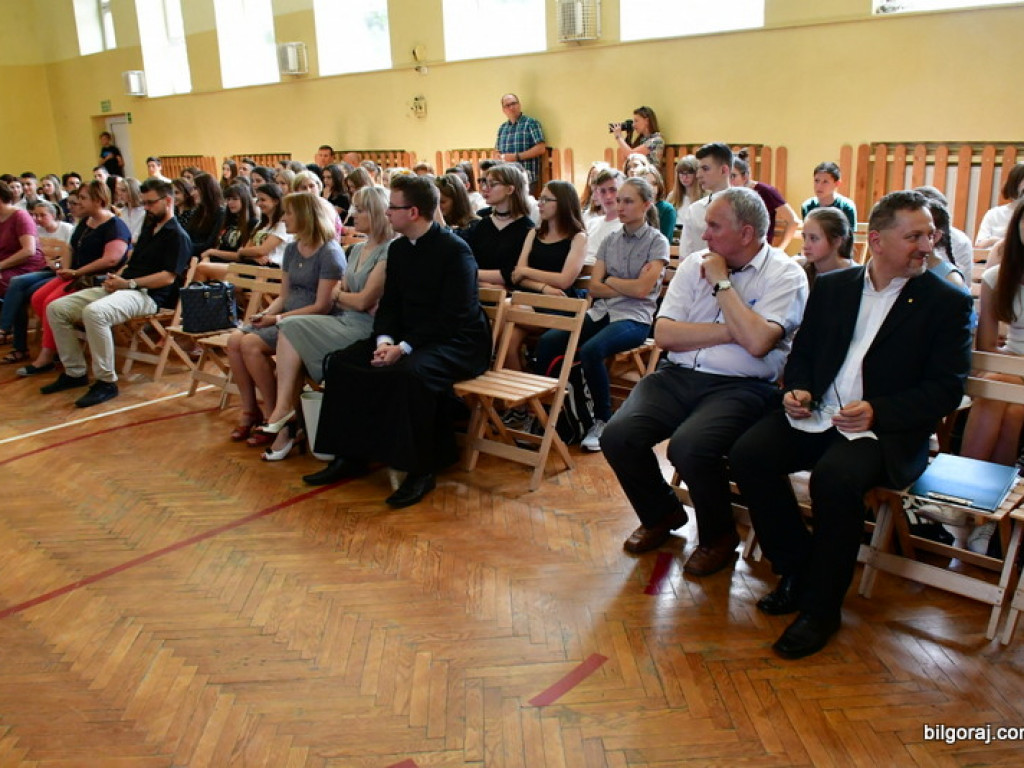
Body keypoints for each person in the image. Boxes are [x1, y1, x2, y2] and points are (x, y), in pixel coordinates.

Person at [728, 190, 972, 659]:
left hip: (886, 429)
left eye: (931, 235)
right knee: (748, 455)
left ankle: (822, 609)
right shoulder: (836, 287)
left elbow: (945, 390)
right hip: (820, 413)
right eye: (914, 236)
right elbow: (804, 355)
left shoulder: (947, 302)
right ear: (876, 241)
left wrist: (878, 410)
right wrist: (796, 389)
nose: (927, 245)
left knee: (835, 479)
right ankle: (797, 566)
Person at [600, 186, 808, 574]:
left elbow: (761, 343)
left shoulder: (786, 274)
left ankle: (718, 537)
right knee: (618, 436)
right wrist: (737, 330)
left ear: (746, 233)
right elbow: (664, 334)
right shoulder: (695, 260)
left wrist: (722, 284)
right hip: (677, 374)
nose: (704, 235)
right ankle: (662, 514)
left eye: (714, 226)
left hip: (742, 386)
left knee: (691, 447)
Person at [302, 174, 492, 509]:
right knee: (343, 363)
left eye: (393, 207)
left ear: (414, 212)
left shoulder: (454, 251)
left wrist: (402, 348)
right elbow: (390, 305)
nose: (387, 212)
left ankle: (421, 470)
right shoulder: (401, 249)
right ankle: (351, 455)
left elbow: (453, 317)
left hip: (458, 342)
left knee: (411, 374)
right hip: (410, 337)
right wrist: (384, 340)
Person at [534, 177, 669, 451]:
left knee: (592, 350)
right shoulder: (610, 240)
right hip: (602, 312)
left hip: (635, 318)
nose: (620, 206)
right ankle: (554, 413)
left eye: (628, 201)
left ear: (646, 204)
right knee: (548, 341)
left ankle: (602, 419)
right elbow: (594, 286)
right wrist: (626, 285)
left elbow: (643, 292)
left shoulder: (657, 242)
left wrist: (614, 283)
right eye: (619, 200)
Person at [259, 186, 393, 458]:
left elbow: (362, 301)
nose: (353, 214)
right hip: (346, 319)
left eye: (361, 209)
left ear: (378, 212)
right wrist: (348, 297)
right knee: (287, 334)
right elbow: (344, 298)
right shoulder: (356, 250)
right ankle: (285, 415)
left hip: (369, 328)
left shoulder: (390, 249)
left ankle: (284, 413)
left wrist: (346, 297)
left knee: (290, 329)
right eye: (354, 207)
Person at [42, 179, 191, 407]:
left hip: (148, 296)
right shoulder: (150, 227)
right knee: (56, 308)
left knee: (94, 313)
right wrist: (117, 278)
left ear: (168, 201)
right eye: (144, 203)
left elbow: (168, 277)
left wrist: (128, 283)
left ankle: (106, 382)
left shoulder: (177, 235)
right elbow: (131, 260)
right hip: (126, 285)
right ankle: (75, 372)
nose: (146, 208)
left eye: (150, 203)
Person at [226, 192, 345, 454]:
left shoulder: (329, 252)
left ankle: (276, 416)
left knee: (250, 345)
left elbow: (322, 306)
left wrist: (277, 318)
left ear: (305, 215)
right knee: (234, 341)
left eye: (289, 213)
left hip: (311, 322)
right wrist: (265, 314)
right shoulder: (292, 248)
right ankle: (250, 411)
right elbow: (284, 295)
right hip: (286, 315)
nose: (283, 218)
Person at [17, 184, 131, 374]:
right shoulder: (86, 222)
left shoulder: (115, 226)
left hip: (96, 279)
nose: (79, 202)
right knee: (37, 297)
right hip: (77, 274)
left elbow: (111, 259)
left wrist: (77, 273)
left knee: (50, 303)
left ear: (99, 201)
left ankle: (47, 356)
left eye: (84, 198)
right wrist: (67, 269)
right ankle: (61, 343)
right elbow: (71, 248)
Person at [961, 198, 1024, 465]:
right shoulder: (997, 277)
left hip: (1009, 371)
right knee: (1011, 410)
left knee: (995, 386)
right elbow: (986, 346)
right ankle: (988, 499)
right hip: (1010, 366)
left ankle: (961, 493)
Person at [504, 180, 587, 370]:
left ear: (563, 203)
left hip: (558, 304)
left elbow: (565, 280)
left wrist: (527, 272)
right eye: (540, 198)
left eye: (546, 199)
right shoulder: (534, 233)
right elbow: (518, 276)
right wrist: (544, 287)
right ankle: (520, 397)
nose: (539, 203)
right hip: (532, 298)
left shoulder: (578, 238)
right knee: (508, 343)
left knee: (506, 310)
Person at [0, 200, 74, 359]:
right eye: (35, 215)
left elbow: (69, 256)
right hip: (48, 268)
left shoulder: (68, 229)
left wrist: (57, 263)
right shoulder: (39, 229)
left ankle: (5, 329)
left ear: (53, 215)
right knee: (16, 288)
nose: (37, 218)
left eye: (42, 215)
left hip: (61, 270)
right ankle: (13, 340)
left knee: (16, 286)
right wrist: (51, 263)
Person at [458, 164, 534, 288]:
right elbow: (467, 263)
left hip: (509, 297)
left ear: (510, 189)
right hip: (477, 291)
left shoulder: (526, 228)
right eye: (484, 183)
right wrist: (485, 285)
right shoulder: (481, 224)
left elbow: (512, 274)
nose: (484, 188)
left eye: (492, 184)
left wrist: (473, 275)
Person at [731, 150, 799, 249]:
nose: (729, 181)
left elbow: (793, 221)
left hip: (759, 252)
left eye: (733, 176)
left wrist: (780, 249)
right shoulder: (726, 195)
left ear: (745, 176)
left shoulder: (766, 191)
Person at [677, 142, 733, 261]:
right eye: (698, 169)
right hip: (700, 275)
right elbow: (685, 256)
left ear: (724, 170)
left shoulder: (745, 207)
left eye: (705, 169)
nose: (698, 175)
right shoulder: (695, 210)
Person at [193, 183, 260, 279]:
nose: (230, 203)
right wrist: (208, 257)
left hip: (237, 266)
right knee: (200, 265)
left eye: (234, 199)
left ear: (245, 200)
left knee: (201, 268)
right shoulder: (227, 220)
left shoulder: (252, 223)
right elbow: (219, 246)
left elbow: (240, 255)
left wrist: (212, 252)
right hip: (218, 261)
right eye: (228, 199)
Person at [0, 180, 46, 298]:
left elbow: (29, 251)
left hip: (26, 267)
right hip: (7, 265)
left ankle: (9, 316)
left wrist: (1, 266)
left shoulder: (20, 216)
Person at [495, 93, 546, 195]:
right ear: (503, 110)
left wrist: (516, 157)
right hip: (506, 179)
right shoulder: (502, 128)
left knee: (523, 209)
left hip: (526, 178)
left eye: (514, 103)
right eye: (507, 105)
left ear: (519, 105)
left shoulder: (531, 123)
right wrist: (499, 157)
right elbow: (496, 151)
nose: (511, 107)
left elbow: (541, 148)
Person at [798, 207, 855, 288]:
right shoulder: (798, 269)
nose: (805, 246)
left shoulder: (855, 275)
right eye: (804, 237)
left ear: (837, 241)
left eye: (813, 238)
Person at [975, 163, 1024, 248]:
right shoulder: (995, 214)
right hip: (995, 258)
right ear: (1014, 184)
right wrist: (996, 240)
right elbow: (980, 245)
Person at [584, 167, 625, 265]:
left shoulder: (627, 227)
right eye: (603, 191)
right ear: (597, 193)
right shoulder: (591, 223)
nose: (608, 196)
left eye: (613, 190)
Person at [800, 161, 857, 230]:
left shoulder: (846, 206)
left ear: (837, 183)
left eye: (825, 182)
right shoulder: (807, 206)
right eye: (816, 181)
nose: (819, 186)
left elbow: (850, 237)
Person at [611, 106, 665, 172]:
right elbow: (625, 159)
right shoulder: (640, 140)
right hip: (637, 176)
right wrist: (629, 135)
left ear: (646, 121)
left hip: (649, 178)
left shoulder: (657, 141)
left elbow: (632, 155)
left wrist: (618, 137)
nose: (633, 125)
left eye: (636, 121)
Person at [185, 172, 226, 258]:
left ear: (207, 189)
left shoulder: (221, 213)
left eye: (195, 188)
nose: (192, 194)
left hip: (206, 258)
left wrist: (184, 247)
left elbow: (210, 244)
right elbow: (186, 236)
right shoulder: (197, 212)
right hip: (190, 255)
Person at [643, 167, 677, 243]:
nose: (651, 188)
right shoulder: (633, 207)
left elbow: (663, 242)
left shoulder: (667, 210)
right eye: (647, 184)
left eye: (654, 184)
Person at [667, 155, 702, 225]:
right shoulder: (672, 197)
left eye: (689, 172)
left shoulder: (706, 196)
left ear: (697, 174)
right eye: (681, 173)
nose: (684, 177)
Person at [114, 176, 146, 242]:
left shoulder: (145, 212)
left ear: (133, 191)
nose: (120, 194)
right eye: (119, 190)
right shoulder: (121, 212)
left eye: (123, 190)